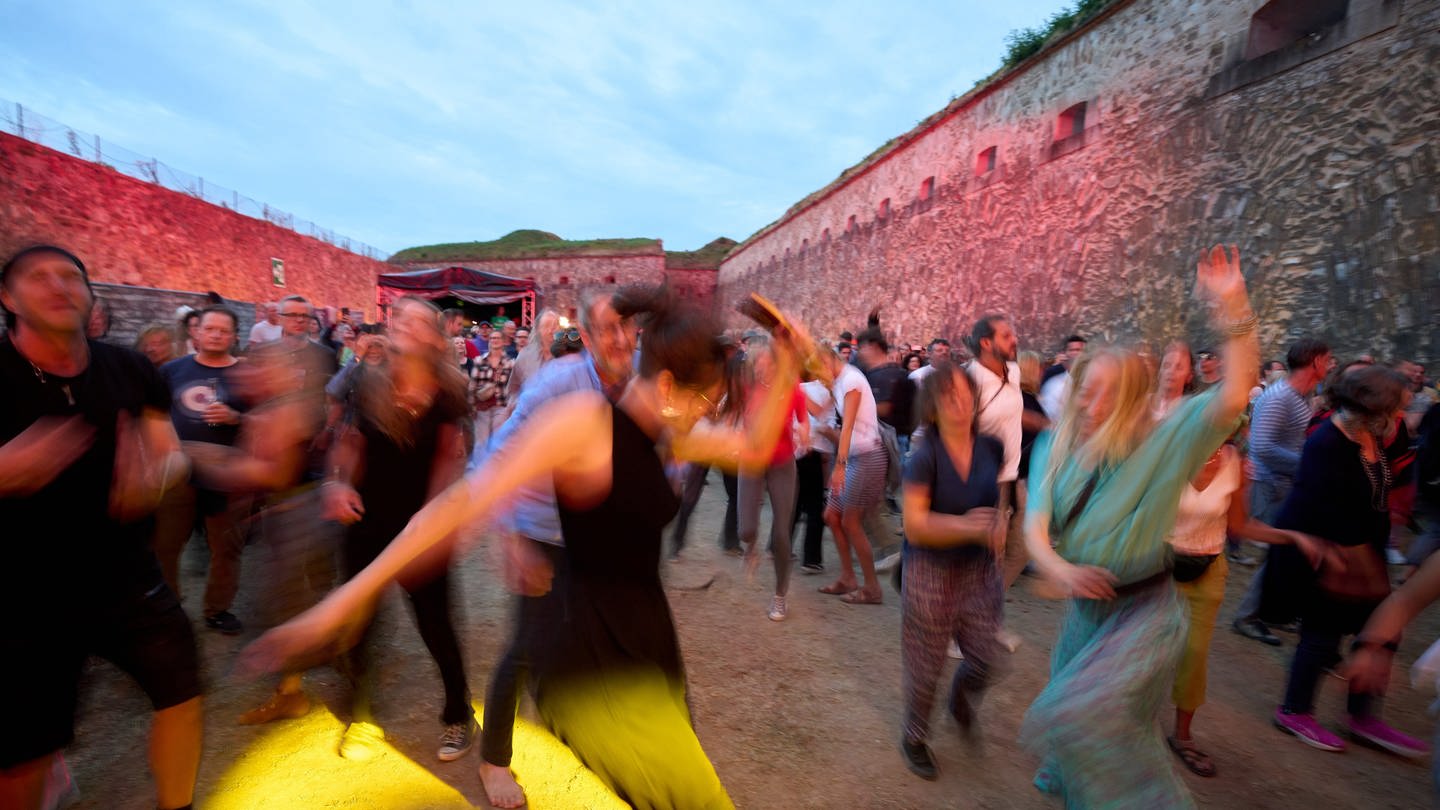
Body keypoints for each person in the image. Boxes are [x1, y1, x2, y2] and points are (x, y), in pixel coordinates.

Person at [244, 284, 808, 809]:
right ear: (665, 385)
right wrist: (338, 605)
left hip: (649, 639)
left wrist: (786, 359)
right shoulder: (583, 421)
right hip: (591, 658)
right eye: (703, 401)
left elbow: (755, 448)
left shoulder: (667, 428)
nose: (705, 413)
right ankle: (496, 759)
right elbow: (459, 502)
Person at [1020, 245, 1258, 808]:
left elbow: (1235, 391)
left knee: (1092, 721)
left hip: (1144, 613)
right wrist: (1060, 568)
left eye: (1110, 391)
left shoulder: (1163, 442)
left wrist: (1234, 307)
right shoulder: (1053, 445)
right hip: (1085, 615)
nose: (1093, 401)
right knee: (1078, 725)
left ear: (1133, 398)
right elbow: (1035, 524)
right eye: (1086, 386)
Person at [0, 245, 200, 810]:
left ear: (90, 295)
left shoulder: (130, 369)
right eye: (37, 277)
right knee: (25, 750)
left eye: (71, 275)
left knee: (182, 694)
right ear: (7, 299)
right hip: (21, 594)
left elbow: (174, 455)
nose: (58, 285)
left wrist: (157, 476)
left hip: (126, 577)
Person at [469, 289, 637, 808]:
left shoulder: (642, 383)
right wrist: (510, 538)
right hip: (543, 534)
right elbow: (494, 456)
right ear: (585, 337)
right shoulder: (559, 382)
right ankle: (493, 760)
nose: (618, 339)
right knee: (525, 647)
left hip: (599, 535)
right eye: (604, 329)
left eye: (625, 327)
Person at [321, 296, 475, 762]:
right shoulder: (369, 382)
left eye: (415, 320)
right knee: (359, 622)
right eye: (398, 319)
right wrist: (338, 484)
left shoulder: (449, 389)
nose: (402, 325)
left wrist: (434, 522)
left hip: (421, 525)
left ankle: (458, 715)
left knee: (436, 625)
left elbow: (451, 459)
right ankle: (363, 717)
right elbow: (348, 443)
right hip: (366, 521)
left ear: (434, 335)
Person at [1265, 365, 1429, 757]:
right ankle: (1295, 710)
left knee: (1384, 633)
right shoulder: (1328, 443)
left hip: (1363, 552)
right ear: (1372, 408)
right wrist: (1360, 562)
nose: (1401, 417)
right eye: (1396, 409)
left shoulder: (1370, 435)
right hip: (1331, 555)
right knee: (1321, 634)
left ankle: (1363, 716)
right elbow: (1321, 512)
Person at [185, 340, 335, 725]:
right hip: (287, 515)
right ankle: (294, 685)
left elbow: (274, 473)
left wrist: (206, 464)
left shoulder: (285, 412)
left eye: (258, 367)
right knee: (288, 602)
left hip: (296, 517)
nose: (245, 374)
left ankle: (294, 690)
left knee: (288, 603)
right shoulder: (272, 410)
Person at [897, 362, 1007, 780]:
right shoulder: (924, 457)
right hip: (930, 572)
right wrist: (967, 525)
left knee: (986, 657)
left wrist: (999, 522)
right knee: (925, 666)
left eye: (965, 393)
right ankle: (914, 736)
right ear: (933, 406)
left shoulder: (990, 447)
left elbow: (995, 497)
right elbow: (915, 525)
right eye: (948, 397)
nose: (960, 403)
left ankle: (960, 699)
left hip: (978, 571)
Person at [152, 306, 251, 635]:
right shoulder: (171, 371)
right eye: (210, 328)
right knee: (166, 543)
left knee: (226, 546)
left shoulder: (249, 374)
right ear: (196, 332)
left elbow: (269, 421)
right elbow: (153, 416)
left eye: (224, 330)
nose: (216, 335)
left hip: (229, 472)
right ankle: (169, 608)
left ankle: (217, 609)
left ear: (235, 336)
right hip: (179, 469)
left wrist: (237, 418)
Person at [1232, 337, 1332, 646]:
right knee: (1276, 552)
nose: (1329, 365)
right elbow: (1261, 447)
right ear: (1314, 362)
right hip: (1270, 484)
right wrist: (1308, 462)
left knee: (1286, 551)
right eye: (1327, 360)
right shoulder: (1280, 396)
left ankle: (1277, 612)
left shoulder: (1299, 395)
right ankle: (1247, 616)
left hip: (1285, 484)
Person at [736, 334, 809, 621]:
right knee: (746, 530)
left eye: (766, 359)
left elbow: (803, 419)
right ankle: (749, 548)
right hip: (752, 460)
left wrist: (804, 433)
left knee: (781, 532)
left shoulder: (791, 388)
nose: (761, 365)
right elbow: (734, 416)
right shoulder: (745, 388)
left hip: (782, 463)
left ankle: (780, 596)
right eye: (757, 360)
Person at [819, 342, 888, 605]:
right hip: (856, 457)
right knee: (832, 516)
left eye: (818, 370)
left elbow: (846, 429)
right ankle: (848, 578)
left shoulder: (850, 381)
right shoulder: (838, 381)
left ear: (828, 361)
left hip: (868, 457)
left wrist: (839, 467)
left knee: (850, 521)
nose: (817, 377)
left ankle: (872, 589)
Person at [470, 328, 516, 450]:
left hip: (501, 405)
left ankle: (496, 467)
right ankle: (480, 468)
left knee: (498, 440)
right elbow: (472, 385)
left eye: (497, 338)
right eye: (492, 338)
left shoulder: (509, 363)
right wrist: (471, 406)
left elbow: (513, 386)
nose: (494, 340)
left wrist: (511, 405)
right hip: (482, 406)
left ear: (503, 341)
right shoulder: (480, 361)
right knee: (481, 442)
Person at [1038, 334, 1086, 419]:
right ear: (1065, 353)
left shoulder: (1094, 376)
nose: (1076, 353)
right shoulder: (1053, 377)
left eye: (1079, 350)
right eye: (1072, 350)